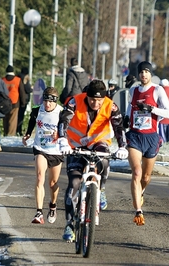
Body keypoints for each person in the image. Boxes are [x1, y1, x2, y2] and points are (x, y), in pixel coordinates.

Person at [57, 79, 128, 241]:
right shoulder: (75, 101)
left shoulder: (111, 106)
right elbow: (64, 120)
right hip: (75, 146)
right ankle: (69, 224)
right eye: (92, 100)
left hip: (99, 144)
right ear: (86, 96)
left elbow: (119, 127)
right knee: (73, 184)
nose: (96, 103)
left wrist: (122, 146)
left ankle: (100, 189)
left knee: (104, 161)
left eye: (99, 100)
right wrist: (62, 139)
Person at [124, 61, 169, 226]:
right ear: (138, 74)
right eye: (141, 72)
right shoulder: (133, 90)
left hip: (151, 137)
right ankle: (138, 211)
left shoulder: (158, 90)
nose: (144, 74)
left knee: (146, 177)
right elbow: (130, 109)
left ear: (151, 74)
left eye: (146, 71)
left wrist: (151, 109)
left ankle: (141, 191)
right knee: (137, 172)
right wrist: (125, 118)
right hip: (135, 136)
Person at [22, 87, 63, 224]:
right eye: (45, 101)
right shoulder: (37, 110)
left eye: (50, 102)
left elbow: (69, 129)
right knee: (40, 178)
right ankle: (39, 212)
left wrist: (59, 135)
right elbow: (32, 121)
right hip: (40, 148)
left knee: (52, 184)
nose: (47, 104)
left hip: (56, 151)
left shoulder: (62, 113)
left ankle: (53, 205)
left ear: (55, 102)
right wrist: (28, 134)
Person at [1, 65, 25, 136]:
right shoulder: (18, 80)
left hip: (4, 103)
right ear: (13, 71)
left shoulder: (2, 80)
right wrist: (23, 103)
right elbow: (21, 92)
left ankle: (5, 133)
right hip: (14, 103)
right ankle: (10, 134)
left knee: (5, 119)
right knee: (12, 120)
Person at [17, 67, 32, 136]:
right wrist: (32, 88)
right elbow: (28, 89)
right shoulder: (25, 79)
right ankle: (18, 130)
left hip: (17, 100)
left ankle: (16, 130)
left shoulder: (17, 78)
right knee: (20, 116)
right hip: (24, 100)